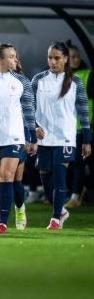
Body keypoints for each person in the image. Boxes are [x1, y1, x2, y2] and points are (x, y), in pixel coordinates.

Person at [32, 41, 91, 230]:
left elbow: (83, 112)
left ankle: (56, 219)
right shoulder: (38, 80)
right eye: (50, 57)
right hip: (43, 137)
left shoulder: (76, 82)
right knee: (45, 180)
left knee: (59, 177)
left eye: (57, 58)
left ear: (65, 59)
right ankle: (61, 210)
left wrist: (87, 140)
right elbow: (28, 108)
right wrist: (33, 126)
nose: (53, 61)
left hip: (65, 137)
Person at [0, 43, 36, 234]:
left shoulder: (22, 81)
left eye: (15, 56)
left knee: (8, 177)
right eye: (11, 56)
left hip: (14, 137)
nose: (16, 59)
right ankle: (2, 213)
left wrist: (32, 138)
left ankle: (3, 223)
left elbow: (29, 112)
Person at [66, 40, 93, 208]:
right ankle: (80, 192)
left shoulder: (88, 75)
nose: (76, 59)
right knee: (75, 164)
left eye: (77, 56)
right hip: (69, 130)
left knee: (78, 164)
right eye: (72, 57)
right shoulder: (61, 77)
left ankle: (76, 196)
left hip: (85, 129)